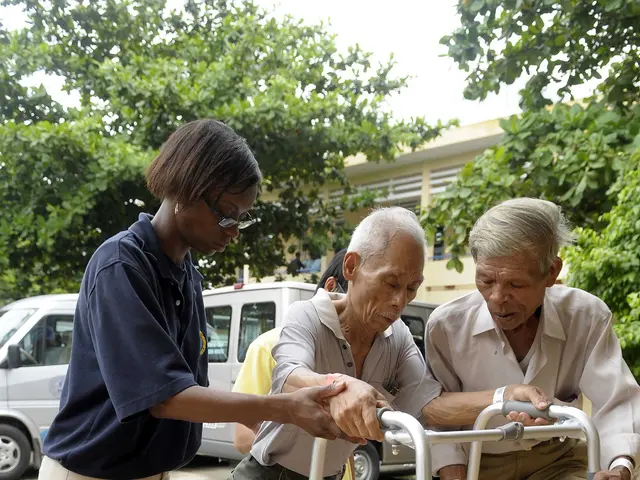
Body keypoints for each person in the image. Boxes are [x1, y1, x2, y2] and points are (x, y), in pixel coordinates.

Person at [39, 119, 347, 480]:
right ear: (186, 189)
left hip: (150, 470)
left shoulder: (186, 275)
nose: (233, 231)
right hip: (89, 473)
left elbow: (188, 388)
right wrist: (282, 408)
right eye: (227, 215)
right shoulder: (121, 265)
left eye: (241, 220)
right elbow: (164, 397)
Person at [230, 207, 549, 480]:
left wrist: (503, 396)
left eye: (412, 288)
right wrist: (342, 387)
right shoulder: (307, 315)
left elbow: (429, 407)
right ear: (351, 267)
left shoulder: (397, 338)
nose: (400, 301)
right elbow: (289, 375)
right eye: (391, 283)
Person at [426, 197, 640, 480]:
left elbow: (617, 402)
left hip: (560, 459)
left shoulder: (586, 316)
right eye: (486, 280)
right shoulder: (447, 326)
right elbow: (441, 423)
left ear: (551, 272)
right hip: (479, 463)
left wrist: (619, 467)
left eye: (516, 284)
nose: (498, 298)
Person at [232, 249, 353, 480]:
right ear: (331, 288)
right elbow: (242, 438)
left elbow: (344, 455)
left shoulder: (355, 353)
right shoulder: (269, 345)